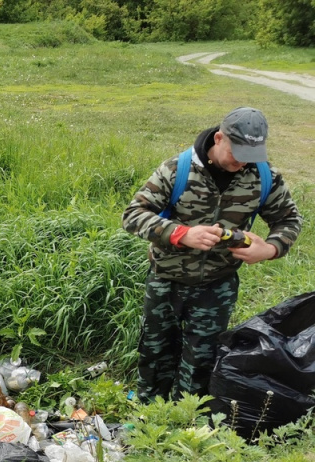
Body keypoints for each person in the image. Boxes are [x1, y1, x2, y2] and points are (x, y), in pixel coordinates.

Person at [122, 106, 303, 403]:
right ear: (219, 138)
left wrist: (269, 249)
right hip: (165, 280)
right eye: (237, 152)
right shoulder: (176, 170)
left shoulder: (265, 178)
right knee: (155, 352)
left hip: (217, 286)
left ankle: (187, 421)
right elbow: (133, 215)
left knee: (201, 359)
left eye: (251, 155)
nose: (243, 162)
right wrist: (182, 234)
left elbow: (289, 220)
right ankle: (148, 417)